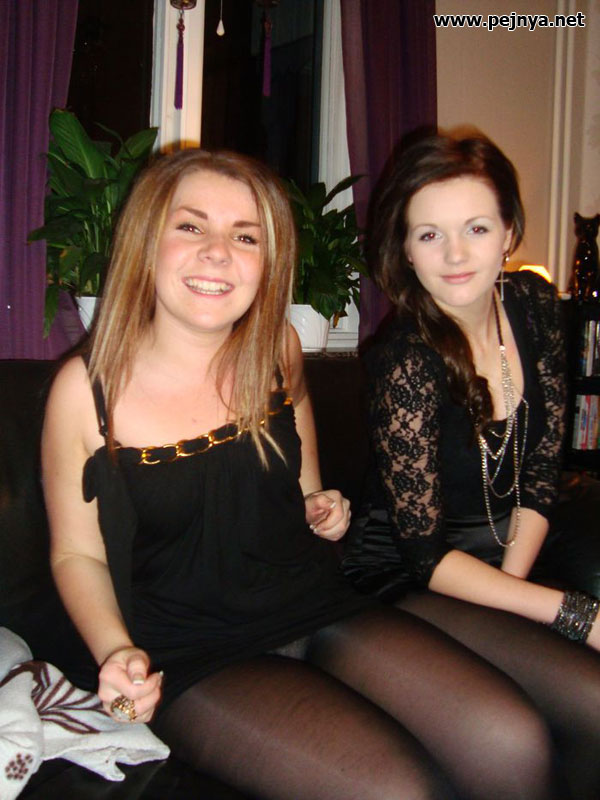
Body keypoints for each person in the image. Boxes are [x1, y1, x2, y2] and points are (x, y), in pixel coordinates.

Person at [44, 147, 567, 800]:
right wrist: (114, 649)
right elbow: (76, 552)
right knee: (395, 792)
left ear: (269, 260)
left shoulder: (278, 349)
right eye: (191, 226)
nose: (217, 253)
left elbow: (305, 485)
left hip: (316, 603)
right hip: (193, 650)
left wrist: (322, 504)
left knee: (511, 739)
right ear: (146, 239)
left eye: (246, 237)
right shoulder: (85, 391)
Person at [342, 132, 600, 800]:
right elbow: (425, 556)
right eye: (429, 235)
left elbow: (541, 469)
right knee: (544, 721)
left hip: (501, 561)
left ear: (509, 232)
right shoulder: (405, 361)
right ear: (405, 248)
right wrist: (575, 614)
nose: (455, 255)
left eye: (476, 228)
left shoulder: (536, 306)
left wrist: (512, 590)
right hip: (409, 575)